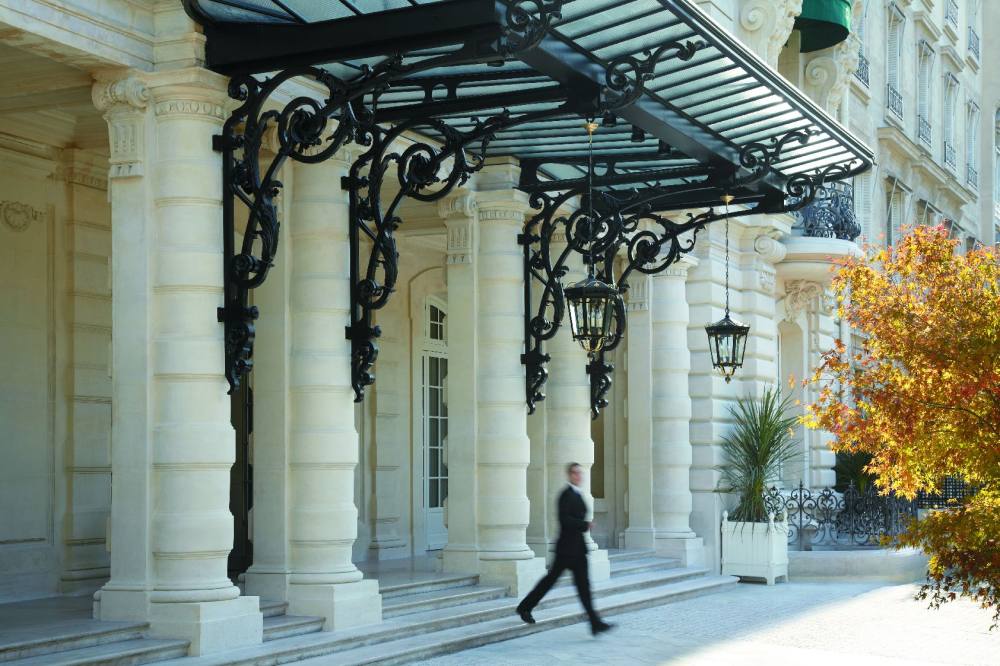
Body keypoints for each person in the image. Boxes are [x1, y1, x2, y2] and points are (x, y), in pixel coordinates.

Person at [515, 462, 613, 635]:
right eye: (575, 473)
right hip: (566, 550)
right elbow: (564, 520)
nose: (578, 476)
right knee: (549, 582)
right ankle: (524, 607)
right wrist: (585, 524)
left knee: (584, 587)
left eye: (580, 473)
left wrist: (583, 526)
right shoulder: (565, 495)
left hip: (578, 550)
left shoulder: (578, 494)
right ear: (569, 475)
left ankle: (595, 623)